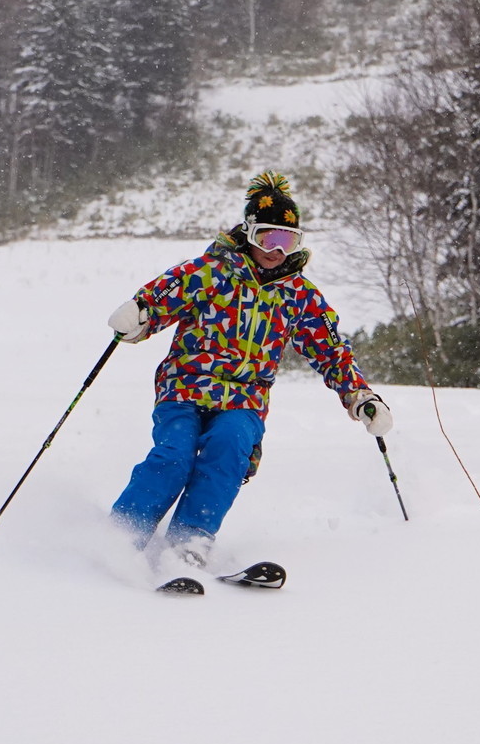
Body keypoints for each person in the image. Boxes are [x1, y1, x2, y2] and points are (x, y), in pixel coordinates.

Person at [106, 171, 392, 568]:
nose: (276, 249)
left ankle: (190, 539)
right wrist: (138, 316)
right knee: (175, 454)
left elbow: (330, 350)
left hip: (244, 397)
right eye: (267, 237)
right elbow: (161, 298)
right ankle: (122, 536)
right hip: (185, 387)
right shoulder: (208, 272)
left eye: (286, 240)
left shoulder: (299, 295)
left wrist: (359, 395)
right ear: (248, 233)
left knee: (229, 449)